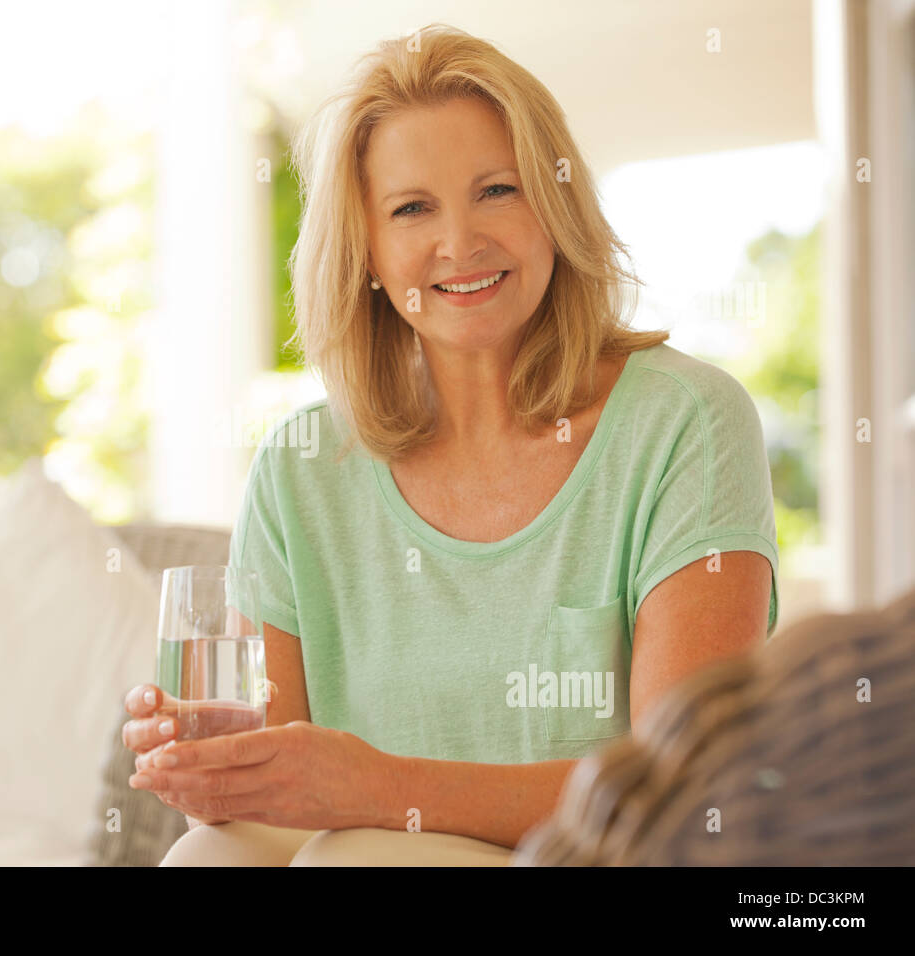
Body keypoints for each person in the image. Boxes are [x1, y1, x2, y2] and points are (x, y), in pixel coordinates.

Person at [124, 22, 778, 865]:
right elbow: (273, 794)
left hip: (599, 856)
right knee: (204, 855)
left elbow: (684, 790)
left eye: (497, 191)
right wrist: (210, 765)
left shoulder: (686, 422)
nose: (460, 242)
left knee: (348, 857)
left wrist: (379, 790)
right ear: (364, 248)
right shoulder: (299, 466)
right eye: (411, 208)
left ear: (555, 202)